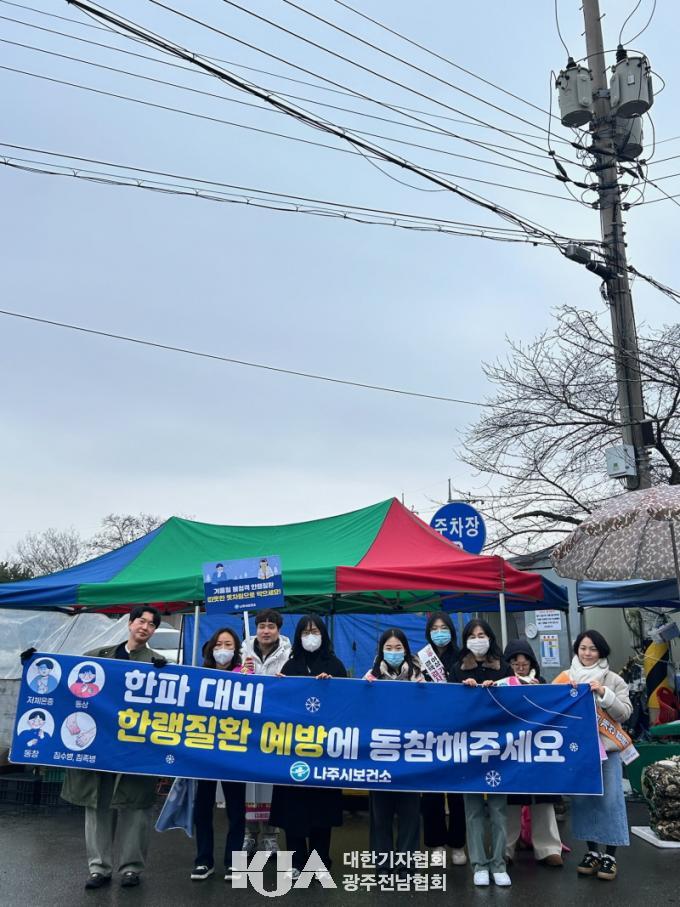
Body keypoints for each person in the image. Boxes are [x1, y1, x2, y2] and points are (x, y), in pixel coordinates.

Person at [61, 606, 165, 890]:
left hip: (135, 747)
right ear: (130, 623)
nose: (145, 627)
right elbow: (68, 676)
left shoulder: (159, 664)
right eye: (141, 621)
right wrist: (36, 662)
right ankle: (99, 867)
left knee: (136, 808)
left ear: (154, 631)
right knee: (98, 806)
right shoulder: (98, 656)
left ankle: (131, 868)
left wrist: (163, 674)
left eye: (151, 624)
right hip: (99, 745)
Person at [269, 616, 347, 880]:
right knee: (292, 808)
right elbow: (279, 707)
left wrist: (332, 686)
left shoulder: (335, 665)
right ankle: (295, 860)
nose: (310, 636)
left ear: (323, 635)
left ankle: (320, 860)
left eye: (314, 631)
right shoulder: (290, 666)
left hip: (324, 752)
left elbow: (345, 704)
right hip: (294, 751)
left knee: (321, 809)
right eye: (305, 632)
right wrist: (279, 686)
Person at [553, 630, 632, 882]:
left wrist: (604, 694)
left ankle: (610, 855)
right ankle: (592, 852)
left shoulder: (614, 680)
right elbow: (548, 706)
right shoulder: (565, 677)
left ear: (602, 651)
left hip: (607, 750)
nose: (587, 653)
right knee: (584, 801)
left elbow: (624, 713)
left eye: (593, 649)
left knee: (610, 801)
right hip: (579, 751)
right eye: (583, 648)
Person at [451, 619, 513, 888]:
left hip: (498, 746)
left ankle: (499, 863)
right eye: (473, 635)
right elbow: (449, 706)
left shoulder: (504, 668)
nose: (478, 640)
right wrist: (463, 692)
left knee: (498, 808)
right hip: (469, 746)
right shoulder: (457, 669)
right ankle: (479, 863)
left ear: (490, 638)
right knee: (473, 808)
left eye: (482, 635)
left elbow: (514, 704)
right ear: (465, 640)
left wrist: (498, 690)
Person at [191, 627, 247, 882]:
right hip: (204, 749)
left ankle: (234, 862)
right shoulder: (200, 676)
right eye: (219, 644)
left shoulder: (245, 675)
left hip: (234, 751)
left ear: (236, 650)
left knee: (236, 809)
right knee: (202, 806)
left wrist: (250, 679)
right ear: (211, 648)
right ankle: (203, 860)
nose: (223, 649)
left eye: (228, 645)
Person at [365, 628, 423, 870]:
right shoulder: (371, 676)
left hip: (410, 754)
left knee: (410, 812)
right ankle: (383, 863)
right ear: (381, 651)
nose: (393, 652)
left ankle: (406, 864)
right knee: (380, 814)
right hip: (380, 754)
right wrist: (365, 690)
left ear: (406, 650)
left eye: (398, 648)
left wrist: (425, 691)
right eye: (388, 648)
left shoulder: (419, 676)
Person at [501, 640, 564, 868]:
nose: (520, 667)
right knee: (509, 802)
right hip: (511, 750)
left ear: (532, 664)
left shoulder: (542, 684)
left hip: (538, 750)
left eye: (524, 663)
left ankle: (549, 848)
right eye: (515, 663)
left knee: (543, 800)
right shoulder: (500, 685)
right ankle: (505, 848)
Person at [240, 609, 292, 854]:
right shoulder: (243, 652)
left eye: (271, 626)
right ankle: (249, 833)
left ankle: (271, 835)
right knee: (248, 781)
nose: (266, 631)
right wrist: (242, 672)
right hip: (248, 728)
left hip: (275, 726)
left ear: (279, 630)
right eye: (262, 626)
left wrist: (286, 680)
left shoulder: (289, 654)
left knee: (272, 781)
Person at [420, 612, 467, 866]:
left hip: (459, 731)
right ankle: (436, 843)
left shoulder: (463, 657)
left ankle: (458, 844)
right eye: (435, 628)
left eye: (444, 627)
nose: (439, 632)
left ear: (451, 630)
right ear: (429, 632)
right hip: (430, 731)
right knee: (432, 792)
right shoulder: (421, 658)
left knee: (458, 792)